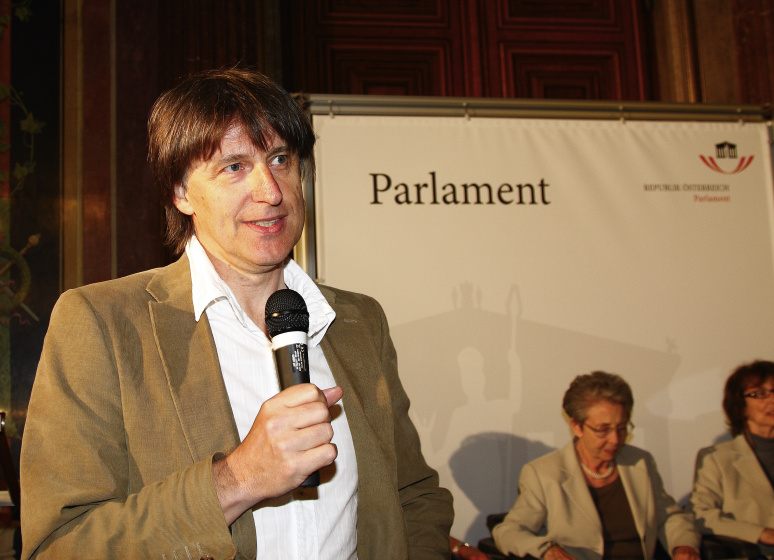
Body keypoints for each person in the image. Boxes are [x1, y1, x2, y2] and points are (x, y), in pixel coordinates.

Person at [19, 67, 454, 559]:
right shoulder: (103, 324)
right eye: (233, 166)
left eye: (280, 159)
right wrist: (238, 478)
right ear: (181, 193)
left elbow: (414, 497)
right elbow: (59, 546)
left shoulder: (358, 320)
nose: (271, 191)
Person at [492, 371, 700, 560]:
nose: (615, 439)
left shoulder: (640, 463)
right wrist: (547, 550)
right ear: (577, 426)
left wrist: (683, 545)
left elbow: (670, 517)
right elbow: (509, 531)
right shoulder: (543, 474)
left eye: (621, 428)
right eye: (603, 430)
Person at [688, 360, 774, 559]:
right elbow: (700, 515)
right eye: (760, 394)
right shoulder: (717, 459)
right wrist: (762, 533)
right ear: (741, 407)